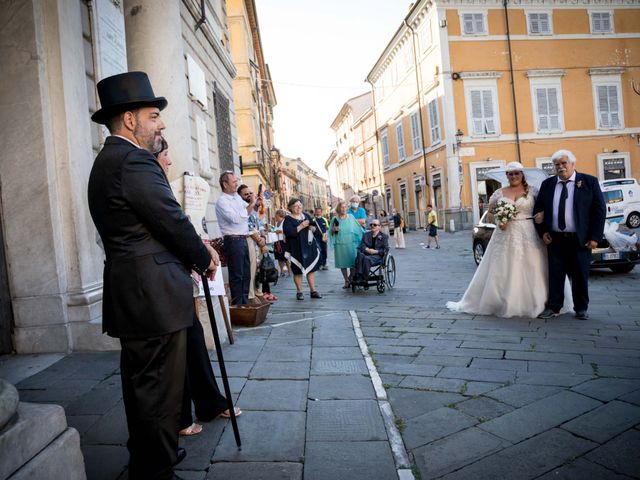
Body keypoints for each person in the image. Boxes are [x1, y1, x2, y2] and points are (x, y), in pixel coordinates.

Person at [88, 71, 218, 480]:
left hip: (139, 293)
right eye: (153, 115)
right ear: (129, 120)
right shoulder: (132, 160)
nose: (160, 123)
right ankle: (154, 469)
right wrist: (204, 256)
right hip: (152, 294)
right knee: (158, 390)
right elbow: (171, 220)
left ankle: (152, 458)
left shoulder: (110, 160)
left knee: (147, 385)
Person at [152, 140, 240, 438]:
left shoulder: (159, 182)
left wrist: (202, 247)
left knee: (194, 341)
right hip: (162, 282)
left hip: (176, 276)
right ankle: (180, 416)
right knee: (177, 351)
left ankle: (209, 403)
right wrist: (202, 255)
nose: (169, 162)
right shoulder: (149, 180)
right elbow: (171, 228)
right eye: (165, 155)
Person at [446, 162, 572, 318]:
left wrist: (542, 215)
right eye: (510, 174)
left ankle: (543, 302)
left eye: (516, 173)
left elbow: (544, 207)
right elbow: (490, 212)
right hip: (505, 234)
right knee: (503, 266)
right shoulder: (499, 193)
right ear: (506, 176)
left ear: (522, 174)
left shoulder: (532, 191)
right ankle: (501, 301)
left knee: (534, 265)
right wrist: (500, 219)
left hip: (529, 233)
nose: (513, 176)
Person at [534, 150, 606, 320]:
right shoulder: (548, 185)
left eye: (564, 163)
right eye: (557, 164)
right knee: (555, 275)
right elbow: (538, 211)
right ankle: (554, 307)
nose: (560, 167)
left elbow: (599, 210)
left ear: (573, 164)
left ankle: (581, 308)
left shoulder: (589, 182)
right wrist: (543, 232)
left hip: (580, 239)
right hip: (555, 239)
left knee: (580, 274)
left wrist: (595, 237)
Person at [215, 172, 254, 305]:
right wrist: (251, 205)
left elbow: (247, 211)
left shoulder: (237, 197)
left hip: (242, 239)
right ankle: (238, 304)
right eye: (233, 181)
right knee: (237, 274)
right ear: (225, 184)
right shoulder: (222, 201)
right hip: (233, 240)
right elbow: (235, 219)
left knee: (246, 273)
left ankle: (244, 302)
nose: (236, 184)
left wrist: (254, 203)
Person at [283, 198, 322, 300]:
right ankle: (299, 292)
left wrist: (312, 229)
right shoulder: (288, 219)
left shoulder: (307, 216)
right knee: (297, 270)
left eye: (300, 205)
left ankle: (313, 291)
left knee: (311, 269)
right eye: (296, 206)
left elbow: (314, 228)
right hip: (296, 248)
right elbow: (289, 233)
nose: (299, 207)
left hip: (309, 246)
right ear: (291, 208)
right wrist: (301, 226)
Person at [237, 185, 269, 303]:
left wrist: (263, 238)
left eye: (251, 193)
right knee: (251, 269)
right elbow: (248, 228)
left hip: (258, 242)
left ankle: (259, 292)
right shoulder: (242, 208)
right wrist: (261, 242)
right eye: (246, 194)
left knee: (259, 269)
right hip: (250, 241)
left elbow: (259, 225)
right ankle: (251, 296)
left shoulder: (254, 209)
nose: (249, 195)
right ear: (240, 197)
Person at [329, 200, 365, 288]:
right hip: (340, 244)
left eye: (345, 207)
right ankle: (346, 280)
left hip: (351, 243)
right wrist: (334, 230)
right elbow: (330, 232)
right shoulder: (335, 219)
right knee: (343, 264)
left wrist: (366, 235)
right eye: (342, 207)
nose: (344, 208)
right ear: (338, 208)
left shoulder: (351, 217)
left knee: (353, 263)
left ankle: (352, 279)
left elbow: (358, 228)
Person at [353, 220, 389, 284]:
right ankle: (359, 275)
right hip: (366, 253)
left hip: (377, 256)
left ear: (379, 227)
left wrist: (376, 251)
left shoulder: (384, 236)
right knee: (360, 255)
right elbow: (362, 245)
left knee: (366, 259)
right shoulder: (366, 235)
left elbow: (386, 249)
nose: (372, 226)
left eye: (375, 225)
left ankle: (364, 277)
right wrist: (367, 249)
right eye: (371, 224)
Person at [273, 209, 290, 276]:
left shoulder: (284, 222)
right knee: (279, 258)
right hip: (277, 242)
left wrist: (280, 231)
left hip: (283, 242)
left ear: (280, 215)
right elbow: (275, 230)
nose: (275, 217)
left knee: (285, 258)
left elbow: (287, 231)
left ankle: (289, 271)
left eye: (276, 216)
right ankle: (282, 271)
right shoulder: (276, 223)